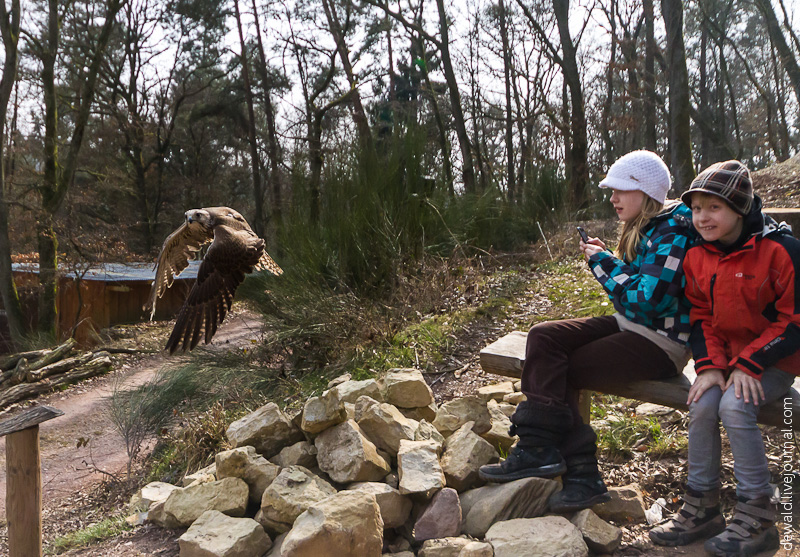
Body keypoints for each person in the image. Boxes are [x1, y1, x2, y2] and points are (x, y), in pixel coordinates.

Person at [479, 150, 695, 513]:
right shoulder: (650, 226)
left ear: (645, 192)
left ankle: (580, 473)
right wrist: (607, 256)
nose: (612, 198)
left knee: (565, 367)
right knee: (545, 337)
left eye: (619, 190)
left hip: (662, 343)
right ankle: (539, 448)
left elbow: (647, 300)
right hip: (633, 326)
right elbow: (638, 289)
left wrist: (603, 262)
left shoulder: (674, 230)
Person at [649, 160, 800, 556]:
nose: (702, 217)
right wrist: (710, 366)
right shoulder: (699, 256)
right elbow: (701, 317)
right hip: (728, 361)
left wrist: (750, 363)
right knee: (702, 402)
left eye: (713, 207)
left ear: (740, 208)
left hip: (776, 361)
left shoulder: (781, 250)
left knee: (735, 405)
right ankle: (703, 507)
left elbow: (795, 321)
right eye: (696, 208)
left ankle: (758, 516)